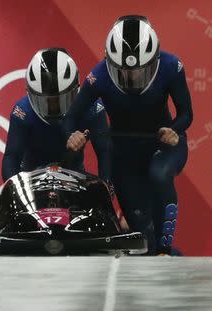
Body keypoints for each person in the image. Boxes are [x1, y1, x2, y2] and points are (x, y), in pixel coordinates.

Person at [65, 15, 193, 255]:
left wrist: (174, 130)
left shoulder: (171, 66)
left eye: (141, 71)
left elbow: (186, 113)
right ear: (109, 62)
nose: (133, 77)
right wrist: (72, 135)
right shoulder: (99, 76)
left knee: (159, 174)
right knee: (142, 233)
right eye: (124, 71)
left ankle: (165, 250)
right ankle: (156, 249)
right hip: (125, 153)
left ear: (154, 61)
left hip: (164, 145)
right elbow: (72, 117)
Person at [2, 48, 112, 186]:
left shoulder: (92, 107)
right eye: (45, 101)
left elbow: (105, 152)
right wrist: (13, 189)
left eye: (61, 100)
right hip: (31, 178)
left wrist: (107, 188)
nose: (53, 108)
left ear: (76, 92)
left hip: (74, 176)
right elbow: (11, 157)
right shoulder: (22, 112)